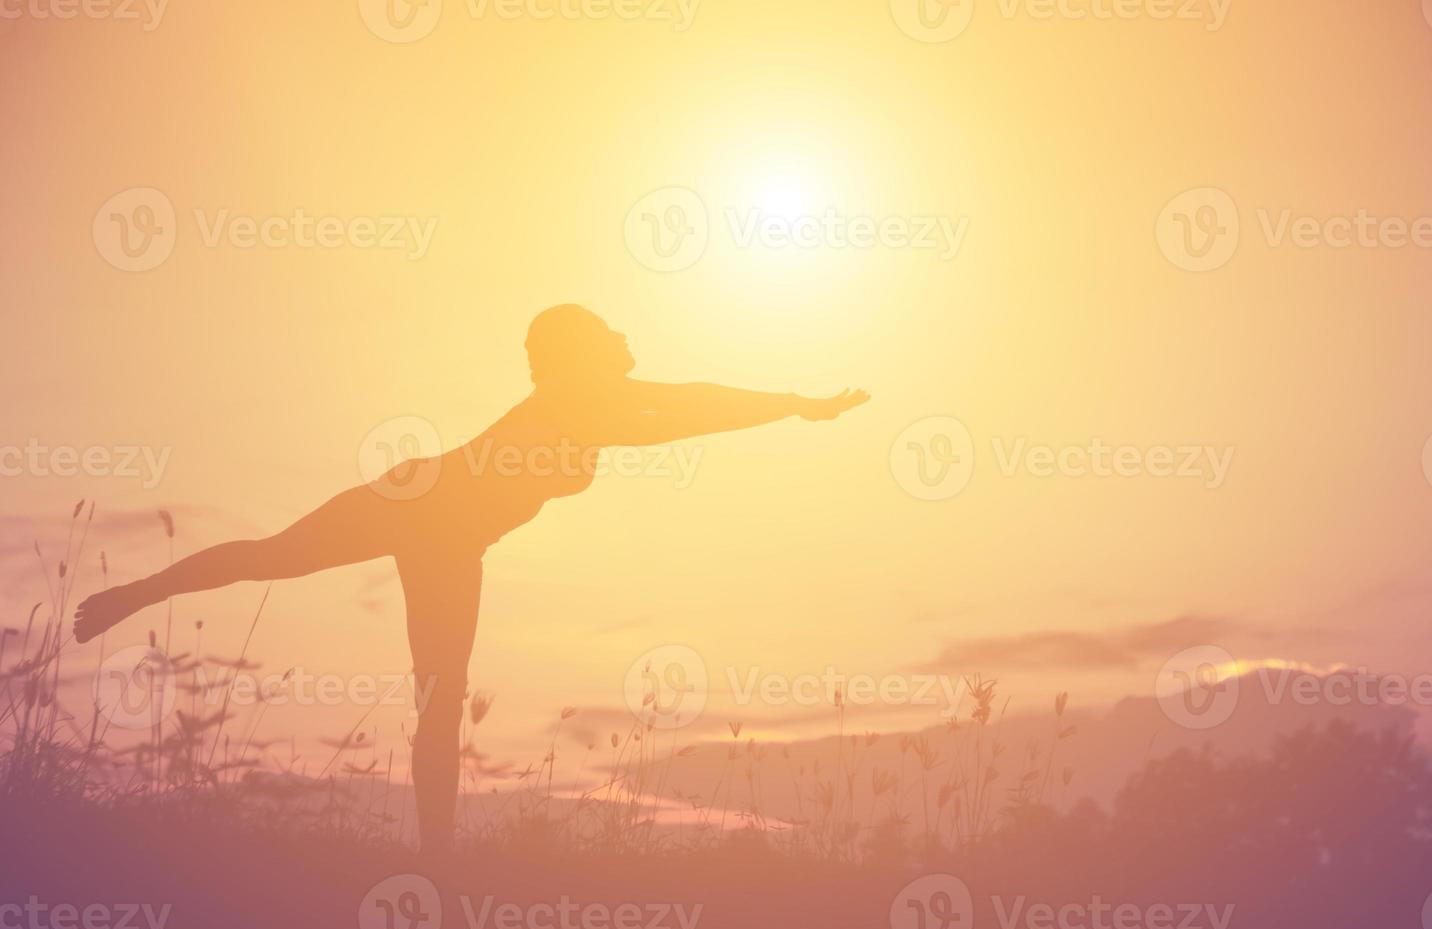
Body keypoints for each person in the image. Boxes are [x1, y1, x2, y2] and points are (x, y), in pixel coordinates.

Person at [73, 304, 870, 853]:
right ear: (582, 350)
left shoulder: (595, 393)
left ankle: (437, 860)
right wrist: (794, 406)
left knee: (439, 696)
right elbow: (693, 409)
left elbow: (690, 400)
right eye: (607, 329)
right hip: (422, 503)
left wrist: (792, 403)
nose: (626, 335)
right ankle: (134, 594)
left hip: (453, 540)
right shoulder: (578, 398)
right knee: (274, 559)